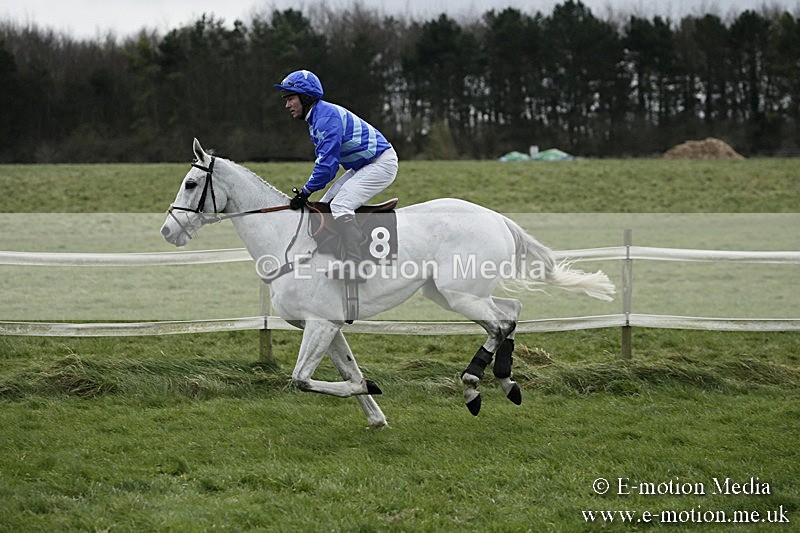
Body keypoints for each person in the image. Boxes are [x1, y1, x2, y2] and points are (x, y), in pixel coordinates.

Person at [274, 69, 398, 283]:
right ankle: (332, 257)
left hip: (380, 163)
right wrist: (308, 192)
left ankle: (356, 266)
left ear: (305, 97)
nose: (287, 105)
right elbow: (326, 165)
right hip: (363, 165)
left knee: (340, 206)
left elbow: (327, 167)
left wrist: (305, 191)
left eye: (291, 98)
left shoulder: (325, 119)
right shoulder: (317, 117)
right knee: (325, 205)